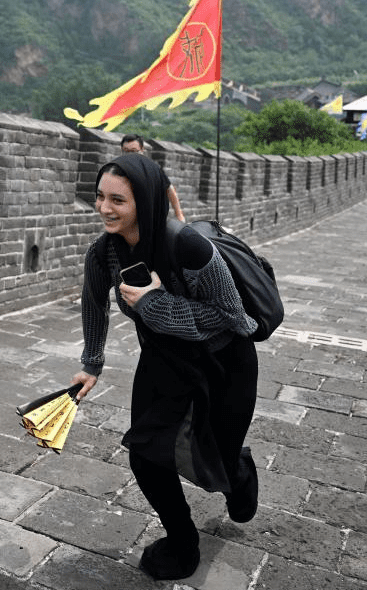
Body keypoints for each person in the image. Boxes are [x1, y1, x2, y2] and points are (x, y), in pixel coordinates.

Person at [70, 153, 259, 581]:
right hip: (164, 360)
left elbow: (235, 317)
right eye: (99, 196)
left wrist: (159, 304)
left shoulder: (189, 246)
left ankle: (240, 471)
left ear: (147, 201)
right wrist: (91, 364)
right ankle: (182, 541)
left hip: (224, 361)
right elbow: (93, 305)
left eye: (117, 200)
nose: (104, 208)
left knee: (217, 457)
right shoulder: (104, 254)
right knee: (146, 455)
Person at [121, 134, 186, 222]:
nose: (129, 155)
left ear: (142, 150)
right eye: (126, 151)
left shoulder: (152, 169)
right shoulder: (117, 170)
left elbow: (169, 189)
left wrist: (179, 215)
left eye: (134, 151)